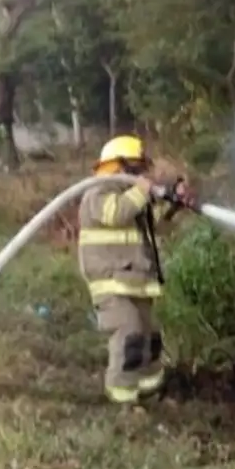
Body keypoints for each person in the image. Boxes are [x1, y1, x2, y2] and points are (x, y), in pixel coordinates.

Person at [77, 135, 195, 404]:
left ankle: (151, 388)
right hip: (111, 283)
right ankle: (124, 400)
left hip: (135, 281)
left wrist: (173, 205)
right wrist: (142, 190)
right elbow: (116, 214)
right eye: (137, 168)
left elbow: (153, 227)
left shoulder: (131, 197)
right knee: (129, 334)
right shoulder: (98, 193)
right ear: (119, 167)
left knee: (149, 336)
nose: (144, 173)